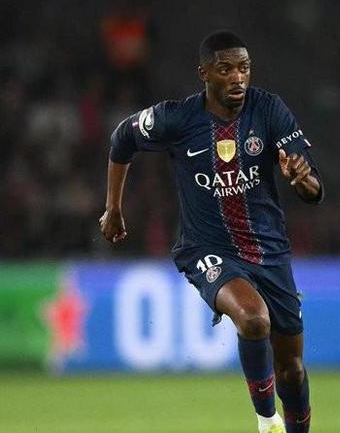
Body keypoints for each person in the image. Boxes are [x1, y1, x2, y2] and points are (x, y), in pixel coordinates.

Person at [100, 30, 322, 433]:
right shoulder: (177, 118)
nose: (237, 77)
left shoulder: (269, 110)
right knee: (253, 319)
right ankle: (266, 420)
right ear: (204, 73)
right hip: (207, 247)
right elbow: (122, 139)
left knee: (291, 370)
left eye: (244, 68)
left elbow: (313, 190)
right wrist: (113, 208)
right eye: (226, 69)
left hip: (269, 252)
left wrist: (300, 178)